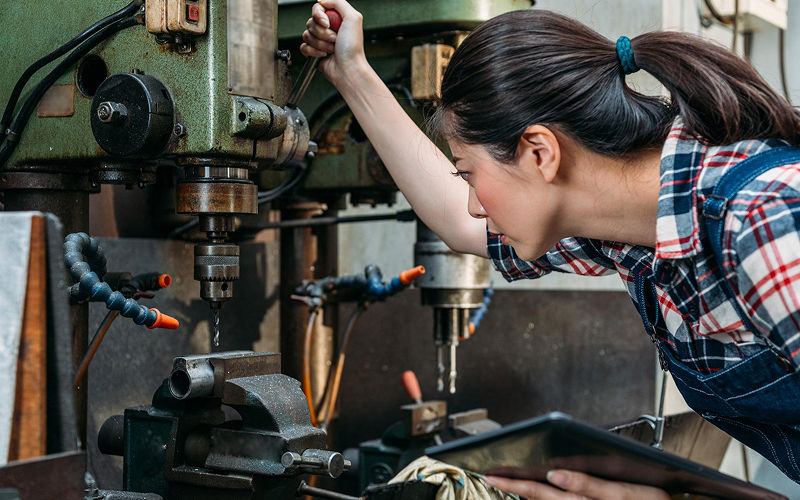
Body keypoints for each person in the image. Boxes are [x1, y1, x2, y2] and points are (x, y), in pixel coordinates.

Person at [300, 0, 800, 498]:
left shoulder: (763, 225)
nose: (475, 205)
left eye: (470, 174)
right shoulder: (627, 234)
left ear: (541, 152)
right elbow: (457, 220)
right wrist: (352, 72)